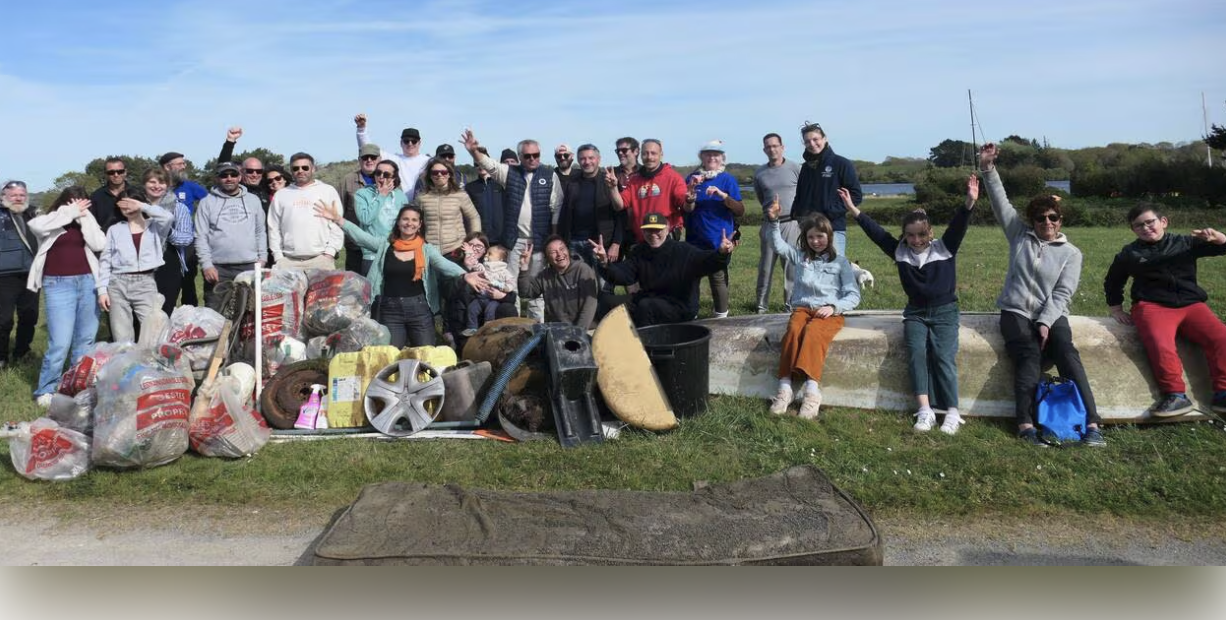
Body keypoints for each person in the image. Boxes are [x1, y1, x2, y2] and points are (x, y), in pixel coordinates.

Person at [980, 143, 1104, 447]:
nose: (1046, 223)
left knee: (1066, 352)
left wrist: (1047, 322)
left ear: (1060, 220)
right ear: (1032, 221)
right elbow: (1000, 202)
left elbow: (1063, 293)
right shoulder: (1019, 236)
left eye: (1052, 217)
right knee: (1028, 354)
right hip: (1016, 312)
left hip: (1053, 312)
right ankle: (1025, 423)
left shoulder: (1072, 253)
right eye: (1040, 218)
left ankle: (1092, 423)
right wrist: (987, 168)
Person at [845, 177, 978, 435]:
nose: (916, 240)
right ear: (904, 235)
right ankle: (925, 410)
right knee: (917, 352)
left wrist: (970, 202)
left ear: (930, 233)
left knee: (943, 355)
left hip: (945, 312)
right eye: (910, 235)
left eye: (921, 235)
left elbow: (960, 224)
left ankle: (952, 411)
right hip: (915, 313)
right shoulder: (899, 251)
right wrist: (853, 210)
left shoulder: (945, 247)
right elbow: (877, 233)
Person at [1104, 205, 1226, 418]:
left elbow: (1222, 248)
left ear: (1163, 221)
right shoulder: (1130, 253)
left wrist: (1220, 238)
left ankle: (1223, 394)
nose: (1146, 227)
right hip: (1152, 305)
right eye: (1139, 225)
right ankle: (1175, 396)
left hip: (1191, 304)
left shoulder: (1185, 243)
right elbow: (1113, 280)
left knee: (1221, 337)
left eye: (1150, 222)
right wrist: (1115, 307)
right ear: (1134, 230)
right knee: (1160, 343)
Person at [314, 203, 488, 348]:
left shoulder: (426, 250)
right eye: (405, 219)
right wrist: (338, 219)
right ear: (398, 222)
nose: (409, 223)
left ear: (420, 225)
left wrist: (465, 275)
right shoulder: (385, 246)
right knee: (392, 356)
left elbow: (445, 265)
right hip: (390, 310)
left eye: (414, 220)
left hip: (419, 310)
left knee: (425, 355)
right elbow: (361, 238)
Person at [763, 200, 861, 419]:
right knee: (794, 331)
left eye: (820, 236)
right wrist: (773, 220)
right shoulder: (801, 257)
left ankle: (811, 392)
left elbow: (853, 295)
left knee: (813, 334)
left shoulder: (840, 263)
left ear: (829, 236)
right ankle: (785, 388)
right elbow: (778, 245)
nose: (816, 241)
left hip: (829, 312)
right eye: (811, 237)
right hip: (802, 309)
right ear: (805, 239)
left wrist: (834, 306)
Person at [460, 128, 564, 322]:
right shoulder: (509, 173)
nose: (533, 159)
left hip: (540, 242)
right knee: (510, 288)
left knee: (536, 290)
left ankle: (537, 329)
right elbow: (487, 164)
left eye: (536, 155)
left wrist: (554, 237)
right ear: (520, 157)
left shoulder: (550, 175)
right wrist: (473, 151)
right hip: (514, 242)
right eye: (528, 156)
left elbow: (556, 207)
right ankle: (514, 328)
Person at [27, 187, 106, 407]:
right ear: (64, 202)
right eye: (72, 202)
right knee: (60, 342)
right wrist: (69, 212)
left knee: (84, 341)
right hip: (58, 284)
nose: (78, 206)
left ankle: (76, 386)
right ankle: (46, 388)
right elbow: (35, 226)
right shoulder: (52, 220)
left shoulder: (87, 221)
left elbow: (99, 243)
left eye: (82, 202)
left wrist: (85, 217)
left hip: (88, 282)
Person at [592, 212, 736, 327]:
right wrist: (605, 263)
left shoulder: (684, 251)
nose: (653, 234)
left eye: (658, 230)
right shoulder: (639, 251)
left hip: (680, 306)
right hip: (649, 298)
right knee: (605, 302)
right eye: (648, 230)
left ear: (667, 229)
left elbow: (708, 262)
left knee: (645, 306)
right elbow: (624, 275)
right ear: (643, 232)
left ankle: (646, 349)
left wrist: (722, 253)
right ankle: (608, 342)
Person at [98, 186, 173, 343]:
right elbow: (105, 260)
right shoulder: (114, 229)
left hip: (145, 282)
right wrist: (102, 290)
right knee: (121, 334)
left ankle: (152, 365)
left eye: (131, 204)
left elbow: (168, 218)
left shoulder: (154, 225)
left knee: (154, 331)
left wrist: (142, 205)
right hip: (117, 283)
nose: (128, 208)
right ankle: (126, 365)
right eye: (123, 205)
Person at [683, 140, 744, 318]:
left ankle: (721, 317)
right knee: (691, 279)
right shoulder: (692, 179)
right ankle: (691, 314)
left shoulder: (727, 180)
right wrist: (690, 198)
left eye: (716, 155)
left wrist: (722, 195)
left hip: (719, 240)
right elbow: (687, 210)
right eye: (708, 154)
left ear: (722, 158)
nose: (712, 158)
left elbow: (740, 210)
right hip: (695, 238)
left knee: (717, 278)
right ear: (702, 157)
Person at [194, 162, 267, 308]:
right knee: (215, 312)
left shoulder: (253, 200)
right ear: (217, 178)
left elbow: (260, 231)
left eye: (233, 175)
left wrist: (263, 258)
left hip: (249, 265)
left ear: (240, 177)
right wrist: (207, 265)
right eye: (224, 175)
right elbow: (200, 236)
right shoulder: (207, 202)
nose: (229, 178)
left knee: (249, 311)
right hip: (218, 268)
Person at [790, 122, 862, 256]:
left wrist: (829, 213)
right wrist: (797, 213)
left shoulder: (842, 164)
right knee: (811, 272)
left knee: (833, 270)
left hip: (833, 228)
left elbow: (856, 195)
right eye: (807, 141)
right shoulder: (805, 168)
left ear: (824, 138)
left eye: (815, 139)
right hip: (809, 230)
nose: (812, 144)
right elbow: (800, 195)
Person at [556, 144, 625, 280]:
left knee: (603, 284)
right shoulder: (573, 182)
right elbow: (564, 213)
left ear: (598, 159)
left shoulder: (609, 181)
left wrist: (616, 243)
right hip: (575, 243)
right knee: (578, 283)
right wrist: (562, 240)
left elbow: (620, 215)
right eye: (582, 159)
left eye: (591, 158)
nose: (587, 162)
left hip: (600, 244)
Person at [267, 152, 344, 271]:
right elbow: (273, 228)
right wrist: (278, 257)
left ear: (313, 169)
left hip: (320, 260)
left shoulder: (327, 191)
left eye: (305, 167)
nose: (300, 171)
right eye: (296, 168)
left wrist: (330, 253)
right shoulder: (281, 195)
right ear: (291, 171)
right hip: (288, 261)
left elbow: (337, 225)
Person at [753, 133, 802, 313]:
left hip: (791, 223)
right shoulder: (759, 173)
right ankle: (761, 305)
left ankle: (790, 305)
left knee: (791, 267)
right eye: (768, 146)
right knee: (765, 267)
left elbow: (804, 193)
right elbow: (760, 197)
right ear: (764, 150)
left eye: (775, 145)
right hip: (769, 224)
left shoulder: (795, 168)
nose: (772, 149)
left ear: (782, 147)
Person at [156, 151, 209, 314]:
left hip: (186, 243)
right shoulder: (157, 187)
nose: (184, 166)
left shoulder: (189, 186)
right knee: (165, 285)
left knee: (188, 283)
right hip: (161, 244)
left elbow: (210, 202)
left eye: (183, 163)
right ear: (167, 167)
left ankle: (189, 320)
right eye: (179, 164)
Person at [518, 235, 600, 331]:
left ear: (568, 250)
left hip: (585, 328)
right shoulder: (545, 276)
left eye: (562, 249)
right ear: (547, 258)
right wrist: (524, 267)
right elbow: (525, 293)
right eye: (553, 252)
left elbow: (590, 304)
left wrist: (578, 331)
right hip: (557, 330)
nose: (559, 254)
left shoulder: (582, 270)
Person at [412, 157, 482, 261]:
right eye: (435, 172)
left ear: (449, 174)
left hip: (456, 250)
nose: (439, 175)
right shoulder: (421, 197)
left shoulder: (460, 195)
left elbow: (474, 217)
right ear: (430, 176)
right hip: (430, 251)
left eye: (443, 172)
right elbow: (414, 222)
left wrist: (473, 242)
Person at [619, 139, 687, 243]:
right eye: (645, 154)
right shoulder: (634, 180)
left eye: (653, 153)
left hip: (666, 239)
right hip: (642, 240)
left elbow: (685, 205)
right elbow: (620, 204)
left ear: (661, 154)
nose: (649, 157)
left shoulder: (673, 177)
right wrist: (613, 187)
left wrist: (690, 200)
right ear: (641, 156)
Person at [1, 180, 38, 369]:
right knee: (4, 319)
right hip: (4, 276)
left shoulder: (33, 213)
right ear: (4, 196)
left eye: (22, 195)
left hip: (31, 274)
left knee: (29, 316)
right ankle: (2, 357)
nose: (18, 198)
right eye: (14, 194)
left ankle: (22, 353)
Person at [355, 113, 430, 202]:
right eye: (406, 141)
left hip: (421, 205)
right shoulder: (394, 159)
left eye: (414, 141)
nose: (410, 143)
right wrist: (361, 129)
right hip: (399, 206)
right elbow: (368, 149)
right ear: (401, 143)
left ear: (419, 143)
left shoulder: (428, 161)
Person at [352, 159, 407, 277]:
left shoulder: (400, 195)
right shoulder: (362, 194)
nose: (381, 177)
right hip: (372, 255)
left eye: (386, 175)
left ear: (394, 177)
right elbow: (365, 219)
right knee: (372, 294)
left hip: (397, 252)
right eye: (378, 173)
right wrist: (381, 195)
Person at [338, 143, 382, 273]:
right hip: (355, 246)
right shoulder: (347, 180)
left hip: (381, 245)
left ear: (379, 159)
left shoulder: (389, 178)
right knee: (355, 287)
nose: (369, 160)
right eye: (365, 157)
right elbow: (338, 211)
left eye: (373, 157)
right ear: (359, 159)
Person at [462, 243, 515, 336]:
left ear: (500, 259)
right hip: (480, 298)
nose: (486, 255)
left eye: (490, 254)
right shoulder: (483, 268)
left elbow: (511, 286)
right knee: (471, 309)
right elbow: (474, 263)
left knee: (490, 311)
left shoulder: (504, 272)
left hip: (493, 299)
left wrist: (499, 285)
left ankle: (488, 327)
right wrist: (469, 252)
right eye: (486, 253)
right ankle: (471, 328)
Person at [216, 126, 270, 212]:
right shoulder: (236, 190)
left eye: (259, 171)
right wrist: (230, 141)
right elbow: (223, 166)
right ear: (241, 172)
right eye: (250, 171)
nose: (254, 175)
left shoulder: (267, 189)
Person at [465, 146, 506, 247]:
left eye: (482, 163)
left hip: (501, 238)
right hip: (481, 239)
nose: (480, 166)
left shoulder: (501, 184)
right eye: (476, 164)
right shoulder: (469, 187)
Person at [88, 157, 132, 230]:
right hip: (105, 239)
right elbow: (91, 224)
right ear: (105, 174)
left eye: (120, 171)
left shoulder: (137, 193)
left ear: (125, 172)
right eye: (111, 172)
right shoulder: (96, 197)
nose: (116, 175)